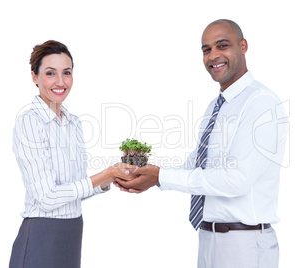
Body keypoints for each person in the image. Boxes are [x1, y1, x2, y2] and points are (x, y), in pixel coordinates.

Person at [114, 19, 289, 267]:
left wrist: (160, 176)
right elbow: (197, 165)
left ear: (243, 46)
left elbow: (236, 179)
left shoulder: (261, 103)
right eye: (206, 49)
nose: (213, 56)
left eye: (222, 46)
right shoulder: (216, 106)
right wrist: (149, 177)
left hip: (245, 246)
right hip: (208, 238)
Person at [9, 40, 127, 268]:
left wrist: (109, 178)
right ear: (34, 77)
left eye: (67, 73)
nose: (60, 82)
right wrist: (105, 173)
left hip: (72, 233)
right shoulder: (30, 122)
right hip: (41, 235)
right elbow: (47, 197)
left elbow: (74, 189)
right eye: (50, 73)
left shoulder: (74, 123)